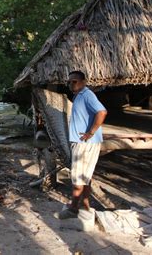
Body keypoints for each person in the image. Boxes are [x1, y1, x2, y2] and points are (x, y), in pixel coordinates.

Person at [58, 70, 107, 219]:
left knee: (78, 177)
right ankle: (85, 205)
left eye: (74, 81)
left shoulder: (87, 95)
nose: (71, 84)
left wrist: (90, 132)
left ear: (83, 81)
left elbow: (102, 112)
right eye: (69, 82)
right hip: (85, 143)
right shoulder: (79, 95)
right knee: (86, 176)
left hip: (85, 143)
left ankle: (73, 209)